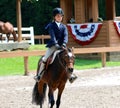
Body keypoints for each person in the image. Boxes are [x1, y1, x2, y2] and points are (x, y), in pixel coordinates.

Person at [34, 7, 77, 83]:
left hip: (62, 46)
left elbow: (65, 36)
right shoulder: (51, 26)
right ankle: (39, 75)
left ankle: (71, 76)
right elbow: (52, 36)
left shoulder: (64, 27)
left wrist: (64, 43)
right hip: (53, 46)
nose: (59, 18)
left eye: (61, 16)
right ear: (54, 17)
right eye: (58, 16)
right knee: (44, 59)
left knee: (70, 57)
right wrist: (56, 44)